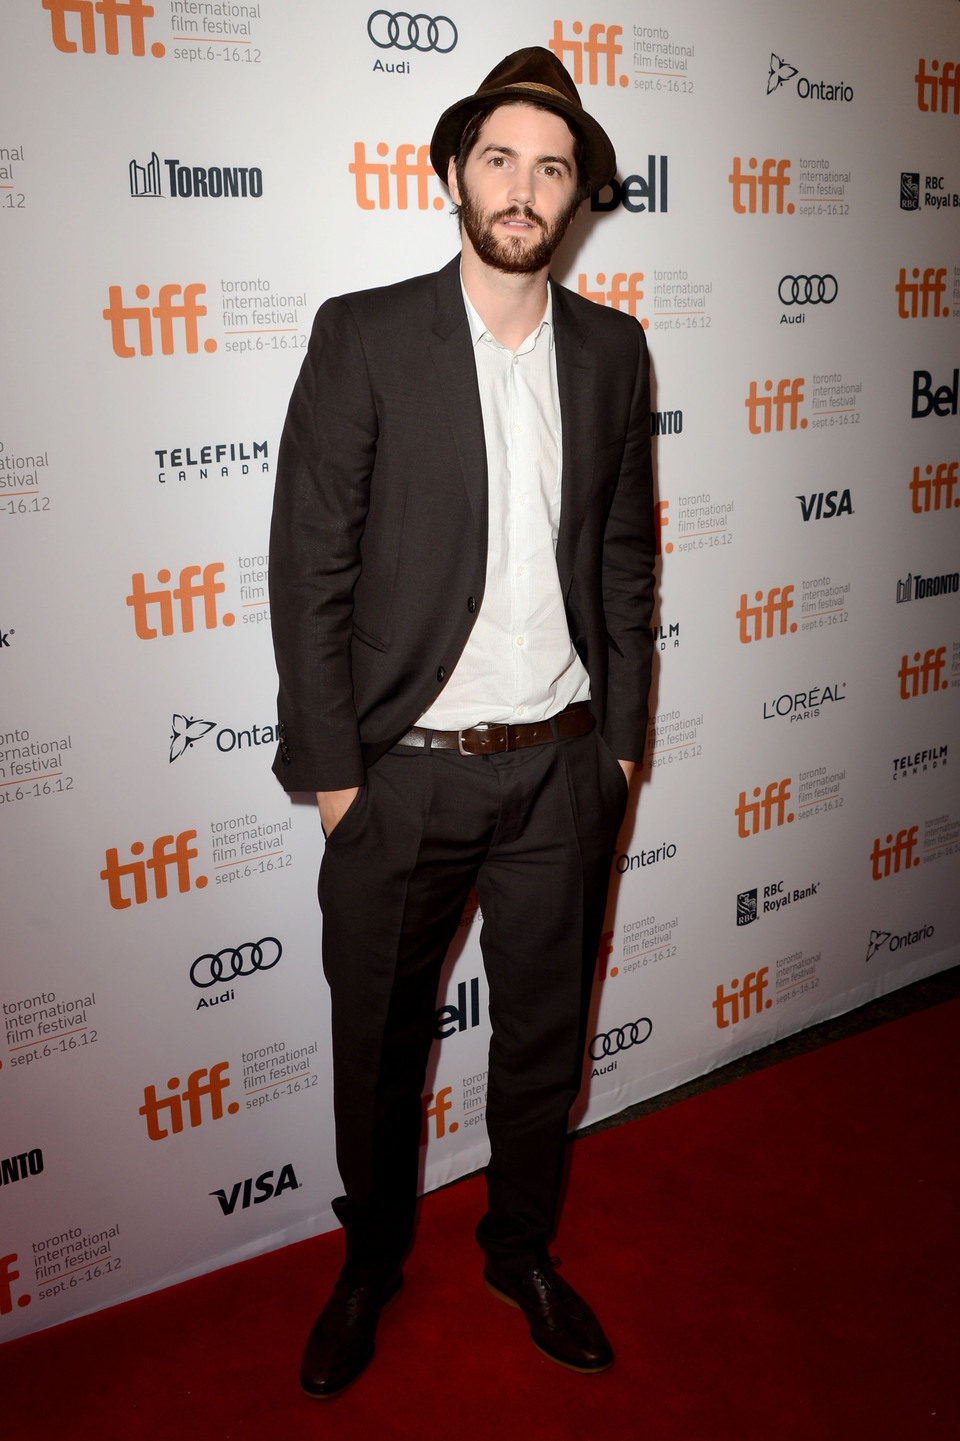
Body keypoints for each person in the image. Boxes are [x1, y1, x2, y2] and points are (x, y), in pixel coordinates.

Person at [268, 45, 655, 1397]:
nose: (524, 185)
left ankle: (520, 1249)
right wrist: (336, 783)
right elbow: (308, 565)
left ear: (579, 197)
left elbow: (623, 558)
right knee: (377, 1044)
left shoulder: (612, 350)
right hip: (402, 780)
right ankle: (370, 1260)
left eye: (553, 166)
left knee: (545, 1039)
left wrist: (617, 749)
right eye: (500, 157)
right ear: (452, 173)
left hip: (559, 769)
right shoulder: (365, 334)